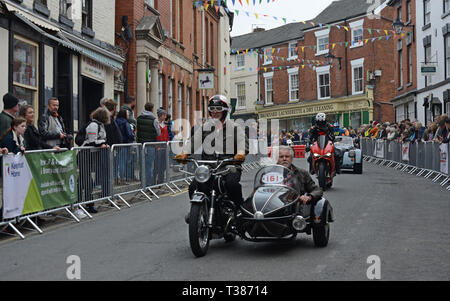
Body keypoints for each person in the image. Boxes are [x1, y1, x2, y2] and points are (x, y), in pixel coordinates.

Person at [175, 95, 248, 223]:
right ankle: (196, 211)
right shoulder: (206, 127)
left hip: (229, 165)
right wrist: (184, 153)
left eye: (218, 108)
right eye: (212, 108)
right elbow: (194, 141)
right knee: (193, 186)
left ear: (225, 110)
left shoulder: (235, 127)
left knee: (232, 185)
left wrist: (240, 153)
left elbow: (242, 142)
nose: (214, 111)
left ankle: (239, 209)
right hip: (209, 166)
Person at [136, 102, 161, 187]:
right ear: (152, 109)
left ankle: (142, 183)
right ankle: (148, 184)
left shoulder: (138, 118)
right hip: (150, 145)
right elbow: (158, 133)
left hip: (141, 145)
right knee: (149, 165)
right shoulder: (154, 120)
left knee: (142, 164)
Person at [155, 108, 169, 184]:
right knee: (157, 165)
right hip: (158, 146)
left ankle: (161, 181)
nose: (165, 116)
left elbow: (167, 135)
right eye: (164, 115)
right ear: (161, 115)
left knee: (163, 166)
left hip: (164, 146)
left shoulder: (165, 124)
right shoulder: (156, 124)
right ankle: (155, 180)